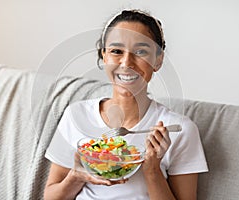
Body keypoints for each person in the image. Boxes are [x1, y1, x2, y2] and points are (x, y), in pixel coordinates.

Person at [44, 9, 208, 200]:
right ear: (104, 56)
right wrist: (76, 176)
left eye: (140, 52)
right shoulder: (76, 115)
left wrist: (152, 169)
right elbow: (51, 197)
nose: (126, 63)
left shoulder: (180, 130)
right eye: (116, 51)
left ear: (158, 60)